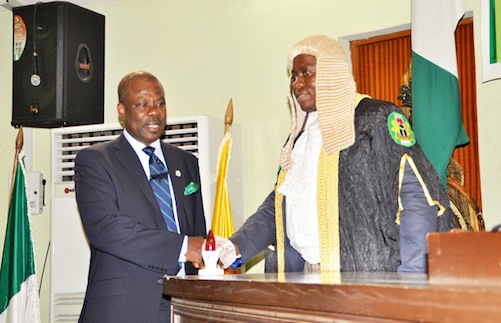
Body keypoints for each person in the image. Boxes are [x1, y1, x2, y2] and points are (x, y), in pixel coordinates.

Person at [218, 35, 456, 274]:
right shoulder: (298, 141)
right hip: (301, 275)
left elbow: (415, 200)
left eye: (306, 73)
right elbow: (279, 206)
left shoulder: (374, 119)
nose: (296, 84)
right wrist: (236, 246)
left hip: (366, 278)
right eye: (293, 76)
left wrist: (413, 278)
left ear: (331, 72)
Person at [75, 71, 206, 323]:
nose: (154, 111)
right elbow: (106, 229)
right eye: (143, 104)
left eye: (160, 103)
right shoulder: (95, 161)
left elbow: (195, 231)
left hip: (184, 307)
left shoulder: (187, 163)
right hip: (125, 307)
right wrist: (182, 247)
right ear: (122, 111)